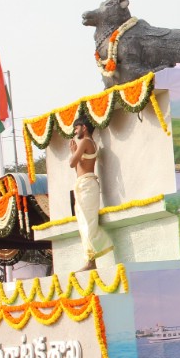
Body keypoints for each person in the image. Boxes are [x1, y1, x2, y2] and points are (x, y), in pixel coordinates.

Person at [69, 115, 114, 272]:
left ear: (84, 127)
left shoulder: (86, 142)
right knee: (83, 224)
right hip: (83, 184)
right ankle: (91, 261)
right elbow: (77, 169)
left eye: (76, 128)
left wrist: (74, 152)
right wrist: (76, 152)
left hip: (87, 185)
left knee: (88, 223)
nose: (75, 131)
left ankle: (92, 260)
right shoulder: (85, 143)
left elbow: (71, 163)